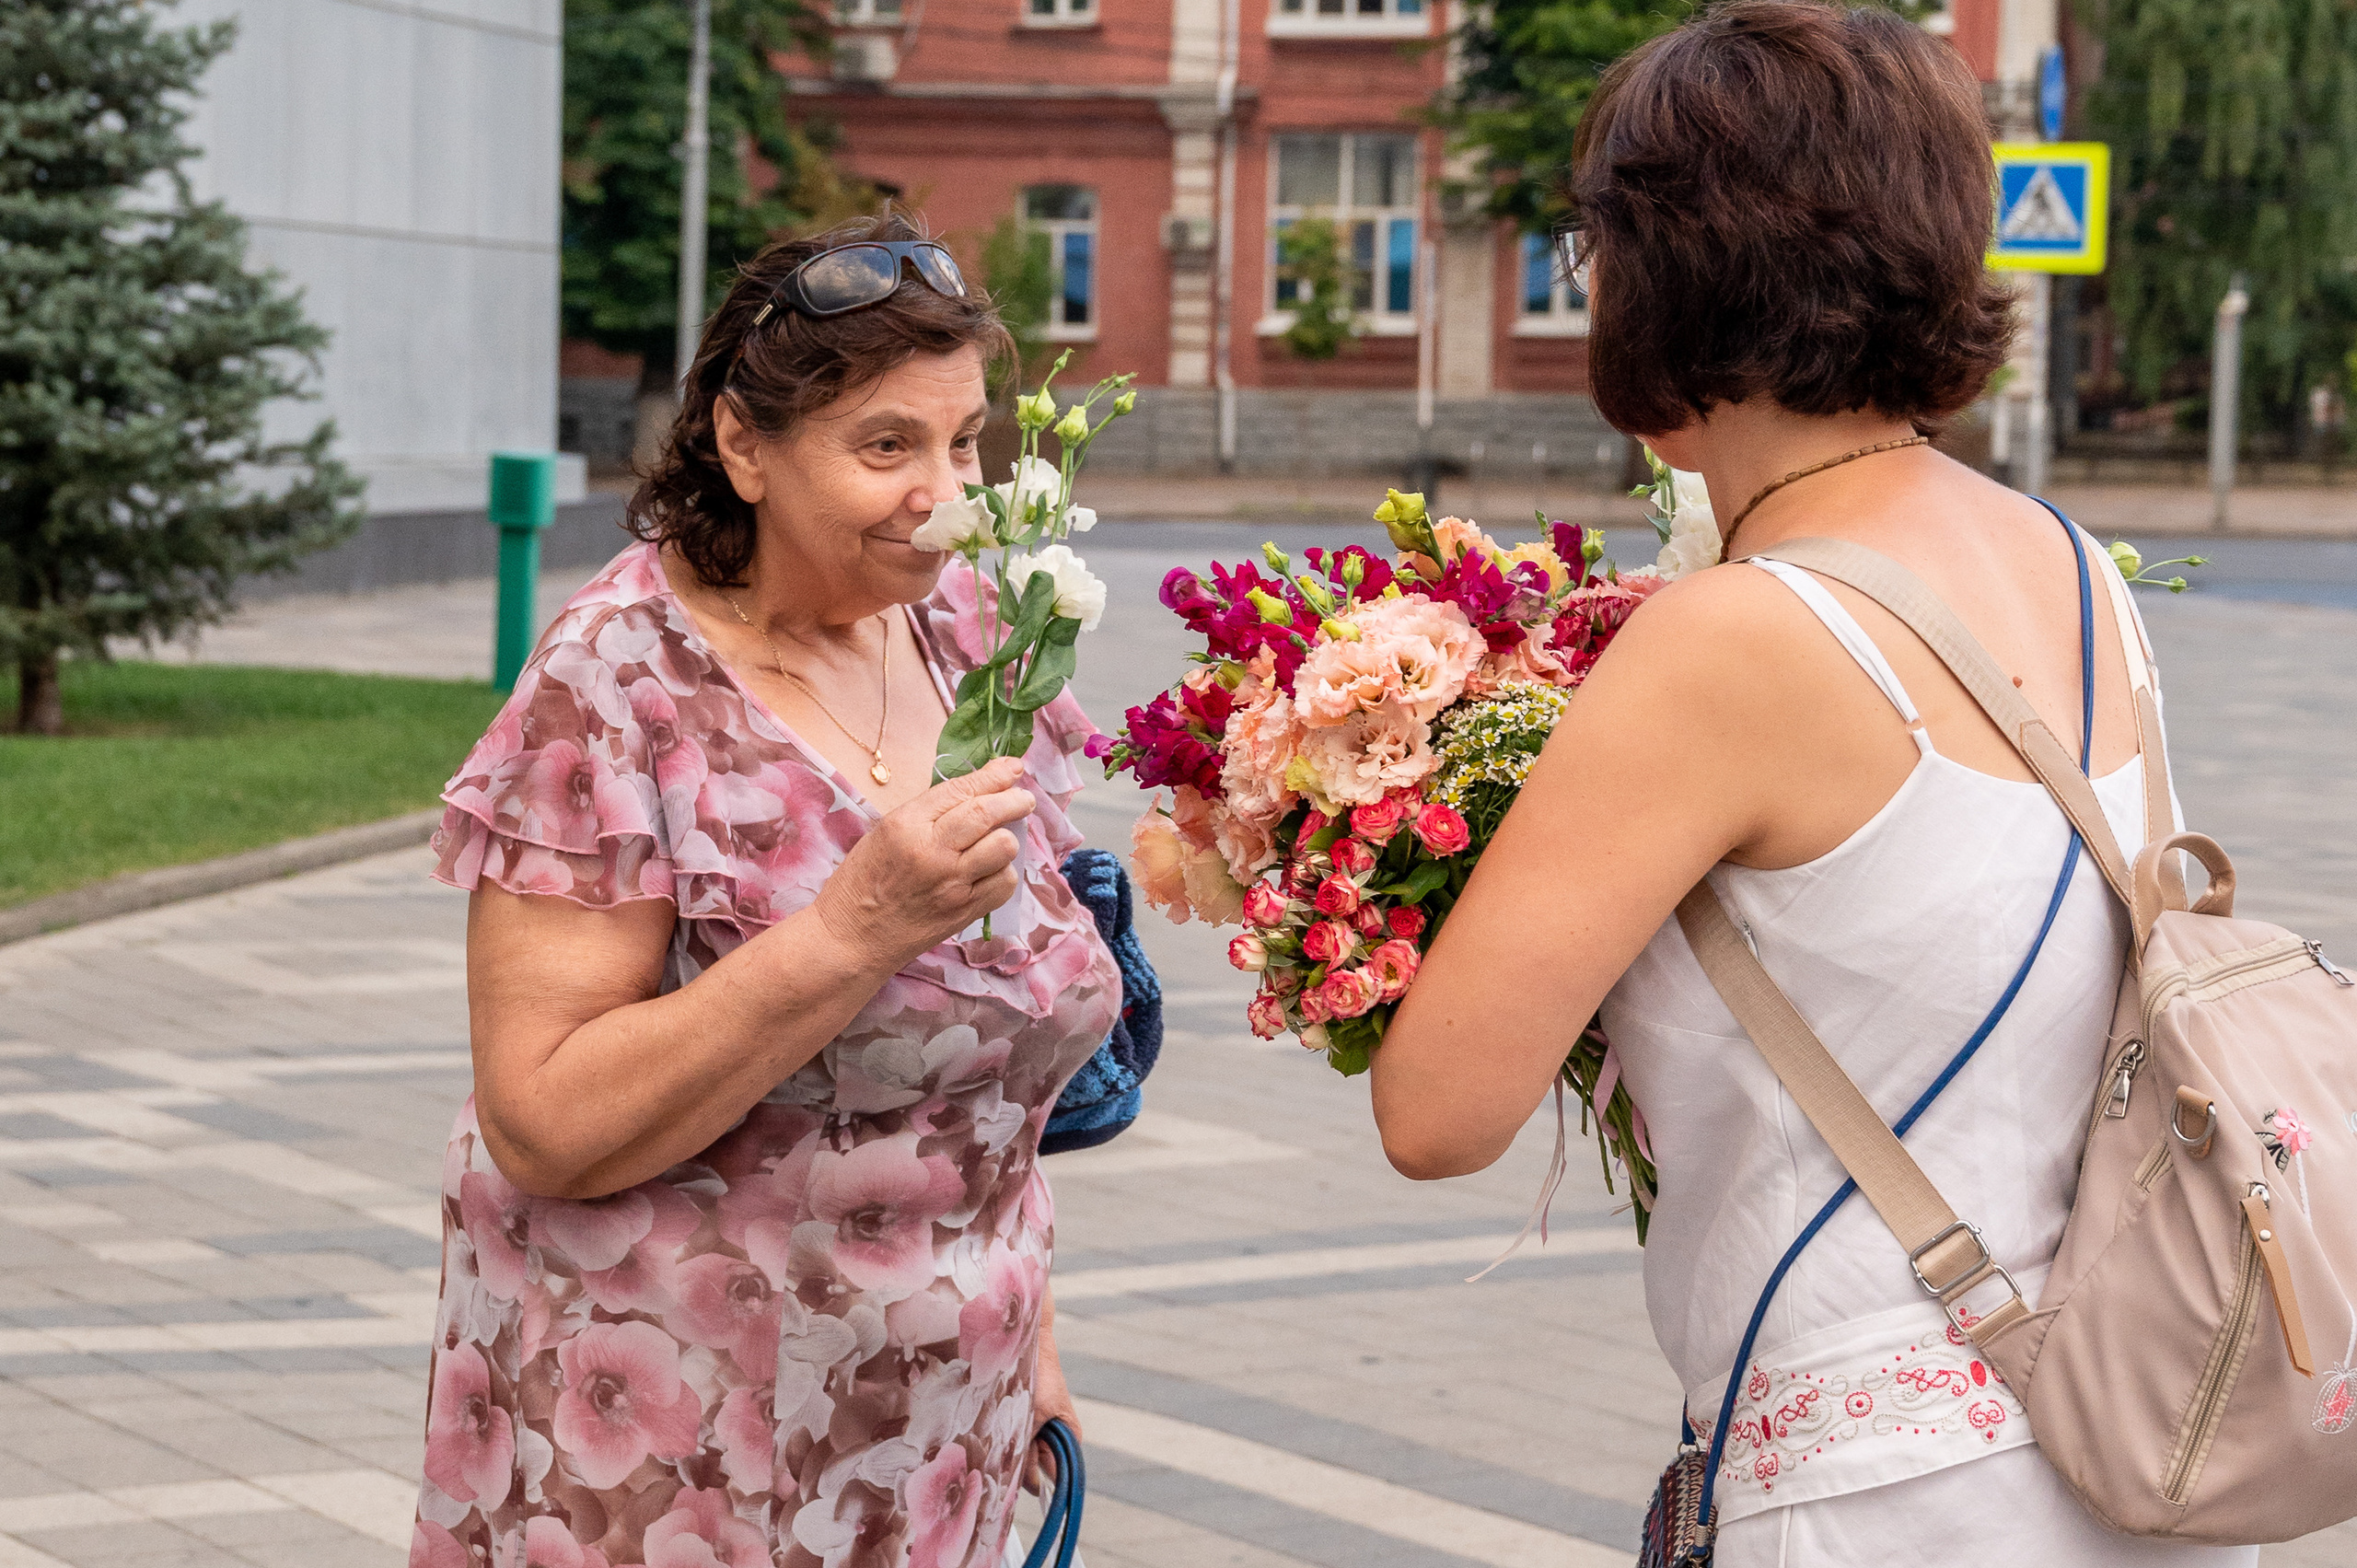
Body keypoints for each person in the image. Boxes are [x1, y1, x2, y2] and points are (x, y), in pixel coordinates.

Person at [1368, 6, 2254, 1565]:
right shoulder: (2065, 559)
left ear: (1660, 271)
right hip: (2131, 1439)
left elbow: (1437, 1114)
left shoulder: (1735, 636)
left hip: (1886, 1498)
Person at [409, 212, 1118, 1568]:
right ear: (745, 446)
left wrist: (1029, 1337)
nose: (949, 494)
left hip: (935, 1437)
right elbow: (544, 1122)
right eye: (886, 447)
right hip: (678, 1453)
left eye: (966, 443)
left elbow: (993, 1064)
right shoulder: (617, 684)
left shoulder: (968, 627)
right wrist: (856, 929)